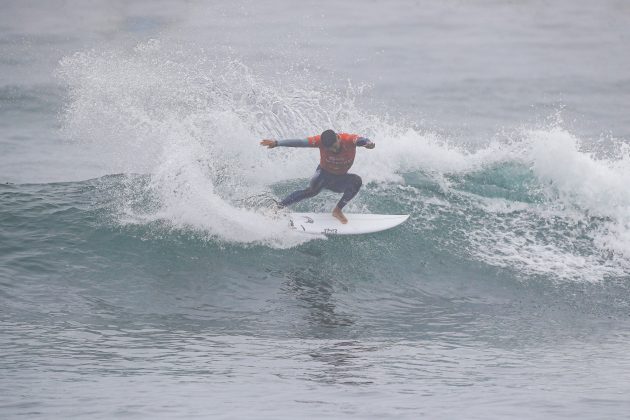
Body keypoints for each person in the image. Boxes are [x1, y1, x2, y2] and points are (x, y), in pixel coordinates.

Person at [260, 129, 375, 224]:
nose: (334, 150)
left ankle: (337, 210)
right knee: (311, 192)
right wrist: (277, 143)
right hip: (323, 175)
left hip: (340, 178)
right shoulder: (319, 141)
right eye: (330, 149)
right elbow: (300, 142)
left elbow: (361, 140)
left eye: (335, 147)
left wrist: (367, 143)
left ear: (338, 138)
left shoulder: (348, 139)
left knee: (356, 181)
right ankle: (277, 208)